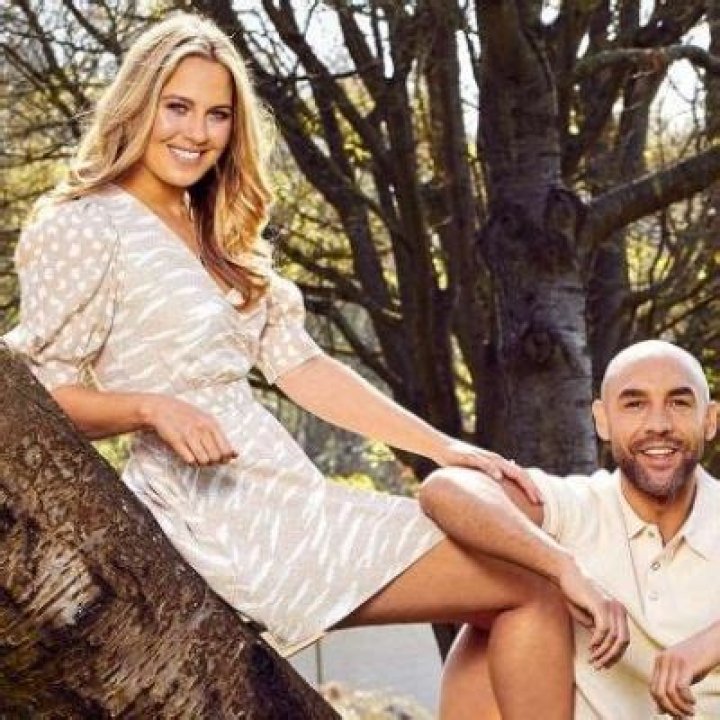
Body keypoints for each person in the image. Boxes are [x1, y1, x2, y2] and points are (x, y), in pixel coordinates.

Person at [3, 13, 627, 718]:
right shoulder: (86, 224)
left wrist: (443, 447)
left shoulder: (213, 227)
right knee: (529, 589)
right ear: (137, 105)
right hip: (215, 514)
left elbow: (302, 366)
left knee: (516, 586)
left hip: (285, 491)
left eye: (216, 115)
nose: (196, 133)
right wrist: (150, 407)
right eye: (176, 107)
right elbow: (42, 396)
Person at [421, 340, 720, 718]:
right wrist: (563, 568)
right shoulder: (577, 506)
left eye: (679, 403)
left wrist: (711, 643)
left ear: (710, 420)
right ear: (602, 420)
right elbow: (447, 488)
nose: (658, 425)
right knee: (502, 601)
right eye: (634, 404)